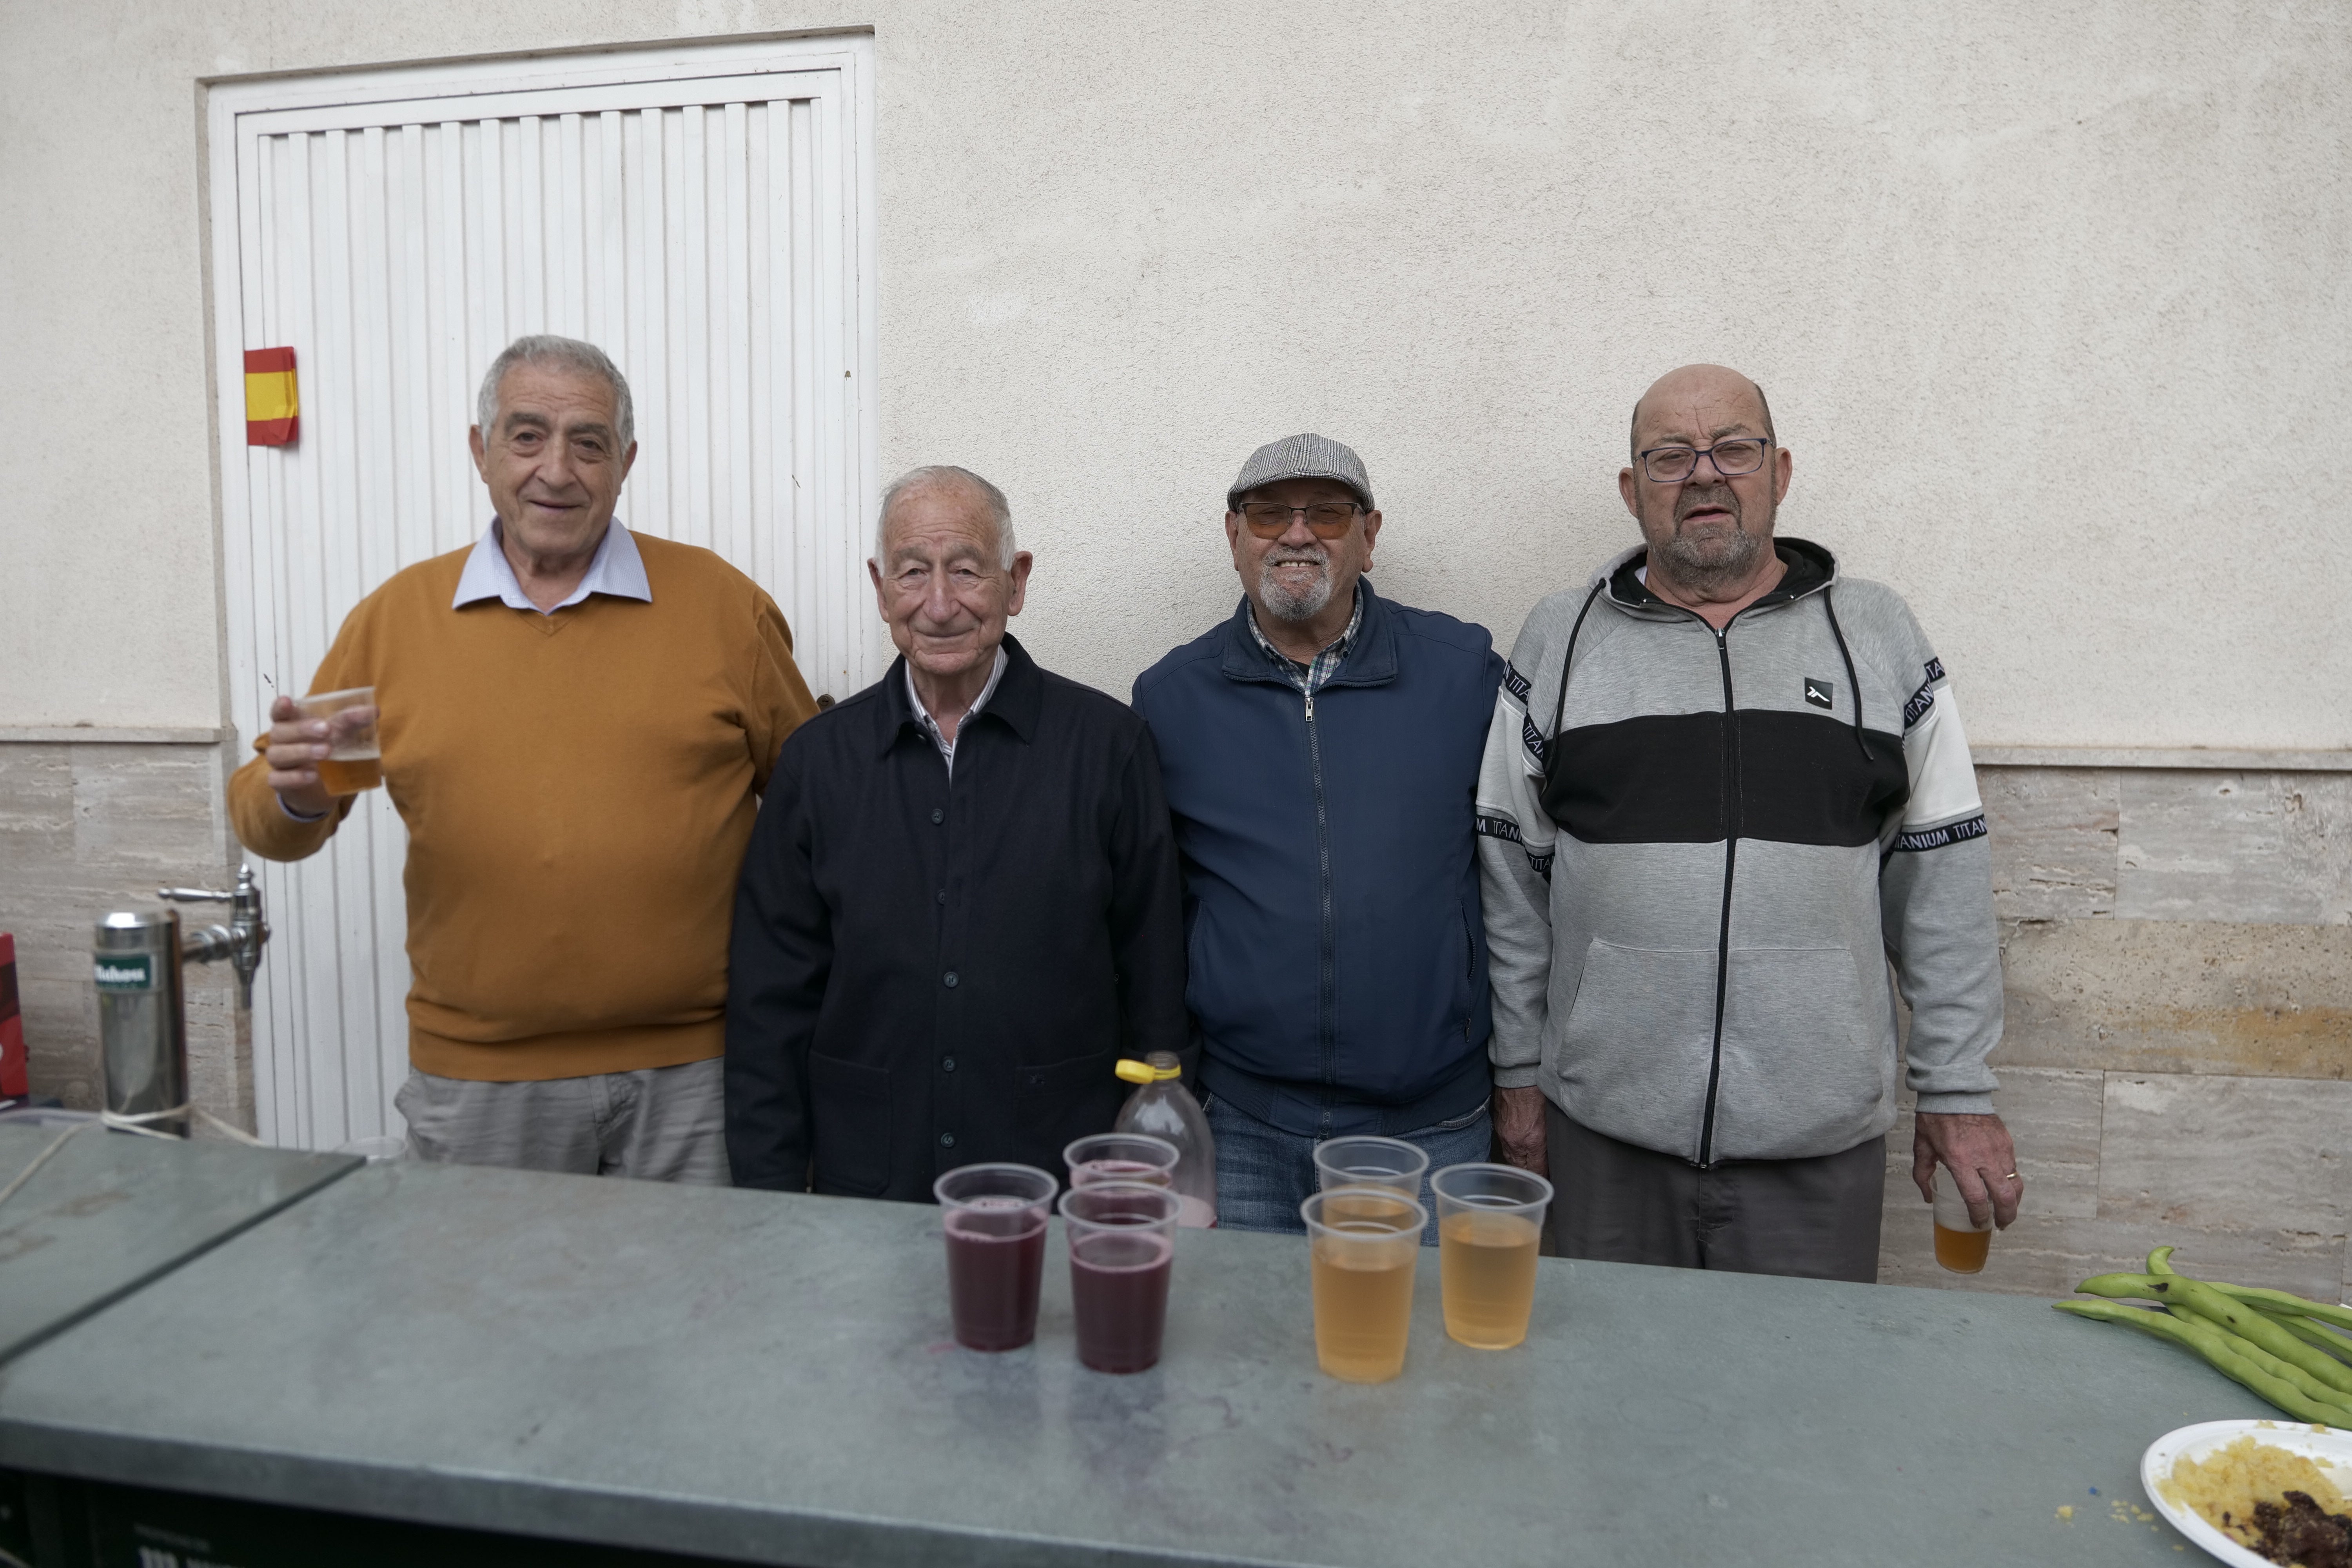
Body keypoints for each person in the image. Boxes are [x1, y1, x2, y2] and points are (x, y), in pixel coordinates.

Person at [229, 334, 818, 1182]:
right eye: (527, 434)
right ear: (481, 450)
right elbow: (270, 819)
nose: (557, 469)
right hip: (479, 1082)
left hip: (701, 1077)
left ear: (627, 462)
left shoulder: (723, 607)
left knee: (702, 1313)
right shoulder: (396, 623)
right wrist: (299, 795)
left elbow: (815, 809)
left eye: (589, 441)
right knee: (490, 1316)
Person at [1476, 363, 2020, 1281]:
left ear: (1780, 471)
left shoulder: (1877, 634)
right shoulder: (1560, 637)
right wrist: (1518, 1074)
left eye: (1734, 449)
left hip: (1816, 1150)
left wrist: (1958, 1088)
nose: (1704, 474)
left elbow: (1943, 884)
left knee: (1801, 1415)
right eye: (1668, 456)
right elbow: (1511, 877)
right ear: (1630, 488)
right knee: (1608, 1405)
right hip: (1605, 1137)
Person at [725, 466, 1188, 1200]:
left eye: (967, 571)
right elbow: (769, 1005)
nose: (939, 605)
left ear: (1017, 581)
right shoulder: (818, 763)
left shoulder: (1108, 749)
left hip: (1060, 1177)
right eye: (913, 572)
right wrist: (770, 1192)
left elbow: (1156, 981)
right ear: (881, 588)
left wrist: (1142, 1177)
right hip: (866, 1179)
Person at [1132, 434, 1506, 1233]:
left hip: (1429, 1130)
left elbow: (1520, 876)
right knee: (1238, 1353)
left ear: (1369, 537)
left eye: (1328, 512)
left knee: (1423, 1353)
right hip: (1241, 1125)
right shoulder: (1171, 699)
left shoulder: (1462, 671)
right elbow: (1150, 908)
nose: (1297, 533)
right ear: (1233, 536)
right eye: (1269, 512)